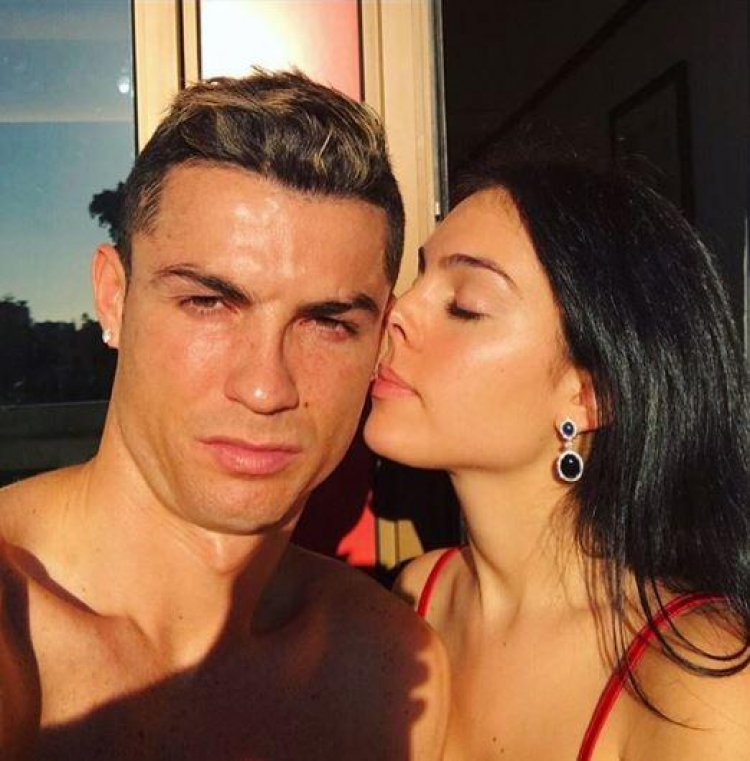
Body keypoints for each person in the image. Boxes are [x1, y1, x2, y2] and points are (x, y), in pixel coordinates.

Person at [0, 70, 449, 760]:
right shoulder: (16, 616)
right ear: (114, 298)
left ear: (381, 340)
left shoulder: (388, 665)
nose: (265, 387)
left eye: (328, 322)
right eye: (208, 303)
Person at [365, 150, 750, 760]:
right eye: (418, 278)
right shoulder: (418, 598)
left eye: (465, 304)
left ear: (589, 396)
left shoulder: (700, 686)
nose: (396, 311)